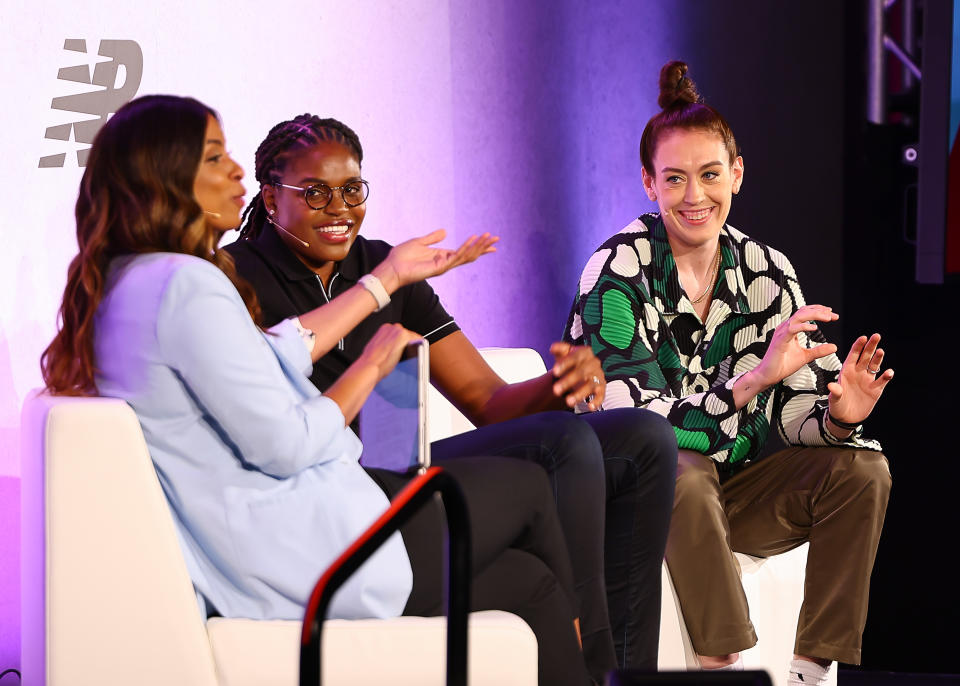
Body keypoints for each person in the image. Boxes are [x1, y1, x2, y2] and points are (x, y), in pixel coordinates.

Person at [40, 94, 596, 686]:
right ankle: (604, 665)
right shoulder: (190, 284)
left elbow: (275, 350)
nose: (235, 171)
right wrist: (372, 367)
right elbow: (285, 443)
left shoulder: (128, 282)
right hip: (312, 551)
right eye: (213, 158)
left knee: (527, 584)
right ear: (162, 175)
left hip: (281, 547)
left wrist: (386, 281)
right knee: (532, 484)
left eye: (352, 189)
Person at [224, 114, 677, 677]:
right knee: (563, 446)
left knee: (644, 437)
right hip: (337, 486)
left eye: (351, 190)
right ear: (270, 197)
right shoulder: (235, 278)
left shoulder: (383, 263)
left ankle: (634, 670)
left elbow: (487, 401)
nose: (339, 208)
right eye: (315, 193)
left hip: (402, 466)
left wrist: (556, 388)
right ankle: (594, 659)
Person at [563, 60, 893, 686]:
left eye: (710, 175)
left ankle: (807, 670)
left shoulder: (769, 270)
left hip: (734, 491)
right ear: (648, 184)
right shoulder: (616, 270)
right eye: (676, 179)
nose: (695, 197)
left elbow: (792, 414)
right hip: (637, 495)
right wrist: (753, 382)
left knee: (864, 471)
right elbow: (635, 427)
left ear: (736, 175)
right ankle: (724, 667)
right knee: (679, 470)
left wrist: (835, 416)